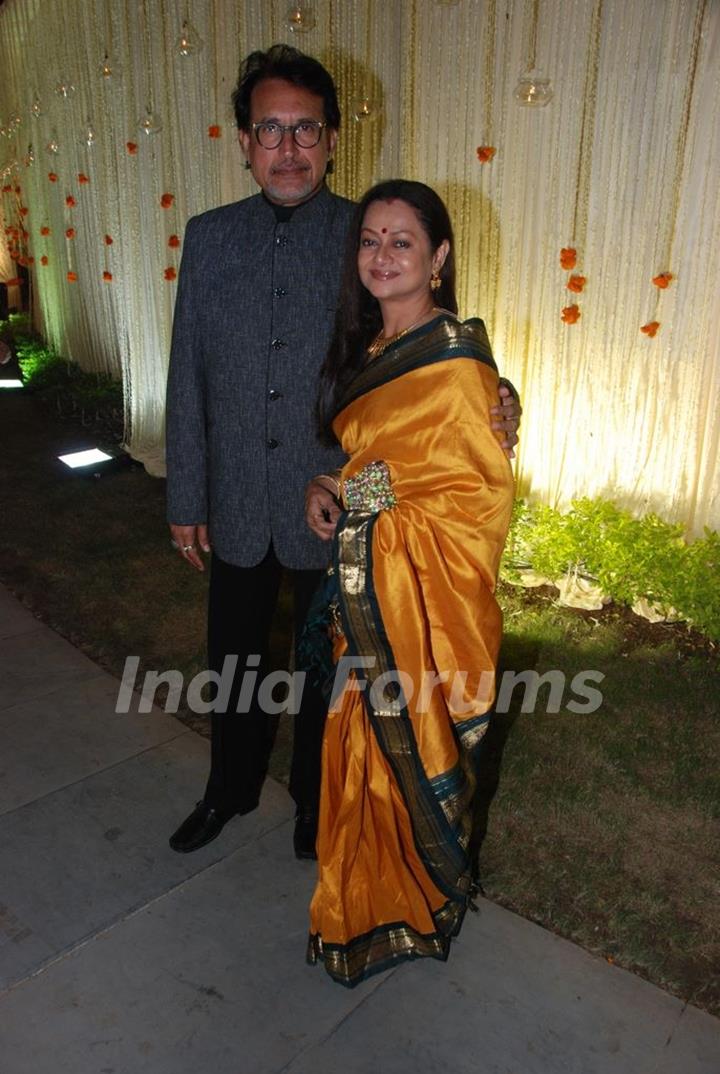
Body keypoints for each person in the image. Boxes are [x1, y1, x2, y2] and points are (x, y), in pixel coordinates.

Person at [165, 45, 521, 861]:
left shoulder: (369, 234)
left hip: (346, 499)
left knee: (333, 677)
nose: (288, 149)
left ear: (332, 140)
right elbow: (186, 368)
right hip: (238, 496)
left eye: (306, 131)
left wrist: (500, 397)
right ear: (244, 142)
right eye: (270, 131)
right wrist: (186, 494)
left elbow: (431, 343)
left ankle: (316, 811)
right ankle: (228, 789)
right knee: (233, 660)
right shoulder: (210, 238)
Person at [303, 180, 515, 987]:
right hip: (369, 592)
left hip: (415, 601)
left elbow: (472, 496)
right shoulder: (368, 354)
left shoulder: (456, 360)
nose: (382, 256)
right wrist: (330, 489)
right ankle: (357, 900)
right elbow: (372, 471)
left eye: (402, 242)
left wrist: (361, 511)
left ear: (440, 257)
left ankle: (415, 901)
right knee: (356, 750)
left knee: (400, 747)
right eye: (370, 240)